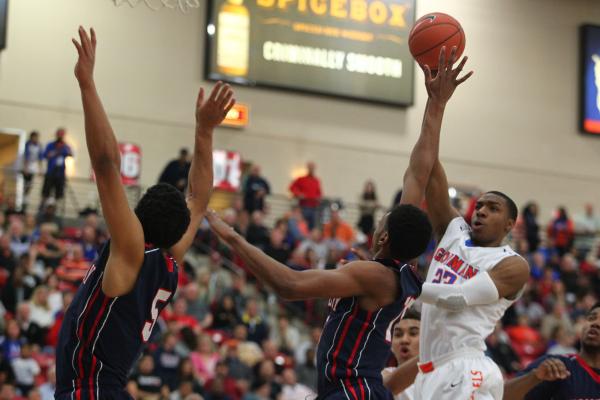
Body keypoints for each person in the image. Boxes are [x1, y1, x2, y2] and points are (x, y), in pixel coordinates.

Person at [207, 103, 434, 398]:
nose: (376, 224)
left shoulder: (372, 275)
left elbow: (289, 284)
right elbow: (417, 175)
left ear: (383, 237)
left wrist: (233, 237)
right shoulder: (389, 273)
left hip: (353, 390)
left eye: (380, 222)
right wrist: (435, 104)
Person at [54, 27, 234, 399]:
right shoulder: (171, 256)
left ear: (137, 216)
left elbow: (106, 165)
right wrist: (204, 131)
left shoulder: (131, 247)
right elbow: (199, 199)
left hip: (91, 390)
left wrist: (87, 83)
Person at [386, 47, 529, 400]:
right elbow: (429, 164)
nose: (479, 211)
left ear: (510, 223)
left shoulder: (512, 265)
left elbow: (456, 299)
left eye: (492, 208)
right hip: (430, 371)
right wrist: (437, 103)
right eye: (478, 205)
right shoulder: (454, 230)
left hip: (467, 368)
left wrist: (405, 284)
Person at [503, 302, 600, 399]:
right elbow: (501, 395)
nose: (595, 323)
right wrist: (535, 377)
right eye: (591, 318)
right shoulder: (557, 366)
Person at [382, 309, 420, 400]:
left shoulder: (443, 373)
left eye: (413, 333)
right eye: (398, 334)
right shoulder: (381, 375)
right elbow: (389, 385)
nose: (404, 340)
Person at [41, 127, 73, 207]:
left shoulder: (65, 146)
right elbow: (45, 155)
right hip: (51, 171)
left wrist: (64, 150)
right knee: (46, 192)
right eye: (59, 134)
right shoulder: (50, 145)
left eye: (62, 134)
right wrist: (54, 153)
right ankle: (42, 207)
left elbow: (71, 154)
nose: (60, 136)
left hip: (60, 173)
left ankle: (55, 209)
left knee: (59, 194)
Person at [289, 162, 322, 230]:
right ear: (308, 168)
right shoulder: (301, 179)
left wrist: (318, 198)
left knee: (312, 228)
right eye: (310, 167)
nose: (311, 169)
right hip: (304, 207)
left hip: (314, 208)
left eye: (312, 168)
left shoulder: (316, 181)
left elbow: (319, 193)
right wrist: (298, 194)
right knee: (302, 226)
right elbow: (292, 187)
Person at [22, 131, 43, 202]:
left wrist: (40, 169)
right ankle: (23, 197)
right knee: (25, 183)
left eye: (37, 137)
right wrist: (25, 168)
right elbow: (26, 156)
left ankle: (26, 197)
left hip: (33, 166)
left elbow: (40, 158)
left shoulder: (39, 145)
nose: (36, 139)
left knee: (30, 183)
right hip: (26, 166)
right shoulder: (27, 144)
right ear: (31, 138)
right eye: (34, 137)